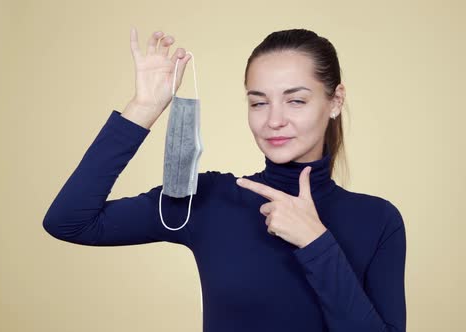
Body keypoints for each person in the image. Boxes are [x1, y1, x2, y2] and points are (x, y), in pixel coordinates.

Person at [43, 27, 407, 332]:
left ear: (335, 101)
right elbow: (69, 221)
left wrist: (317, 243)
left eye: (295, 101)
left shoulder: (378, 220)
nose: (274, 120)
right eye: (258, 102)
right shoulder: (210, 199)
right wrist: (143, 108)